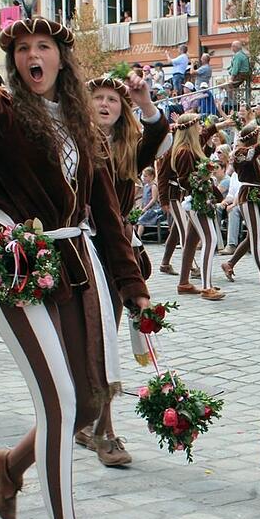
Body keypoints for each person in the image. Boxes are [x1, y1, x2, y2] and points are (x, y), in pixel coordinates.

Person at [0, 4, 152, 519]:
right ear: (15, 62)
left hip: (74, 265)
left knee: (88, 402)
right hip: (15, 263)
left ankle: (9, 465)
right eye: (23, 49)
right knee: (60, 402)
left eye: (43, 47)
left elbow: (107, 213)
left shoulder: (83, 127)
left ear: (62, 59)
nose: (32, 55)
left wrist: (132, 285)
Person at [80, 75, 169, 466]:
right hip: (75, 249)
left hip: (112, 252)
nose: (105, 104)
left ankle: (103, 428)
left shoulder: (128, 150)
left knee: (104, 340)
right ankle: (88, 422)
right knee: (82, 341)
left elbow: (158, 135)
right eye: (97, 98)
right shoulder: (72, 142)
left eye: (113, 100)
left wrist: (145, 102)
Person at [168, 114, 226, 301]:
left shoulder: (189, 148)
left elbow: (205, 135)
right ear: (191, 128)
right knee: (210, 239)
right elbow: (185, 180)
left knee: (192, 242)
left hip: (197, 198)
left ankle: (184, 282)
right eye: (198, 124)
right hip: (197, 199)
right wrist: (204, 175)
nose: (201, 127)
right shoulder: (185, 151)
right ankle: (207, 287)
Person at [220, 124, 260, 285]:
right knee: (255, 236)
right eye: (258, 135)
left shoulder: (248, 153)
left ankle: (229, 263)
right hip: (248, 194)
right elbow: (255, 151)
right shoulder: (240, 153)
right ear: (253, 137)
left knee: (253, 236)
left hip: (257, 193)